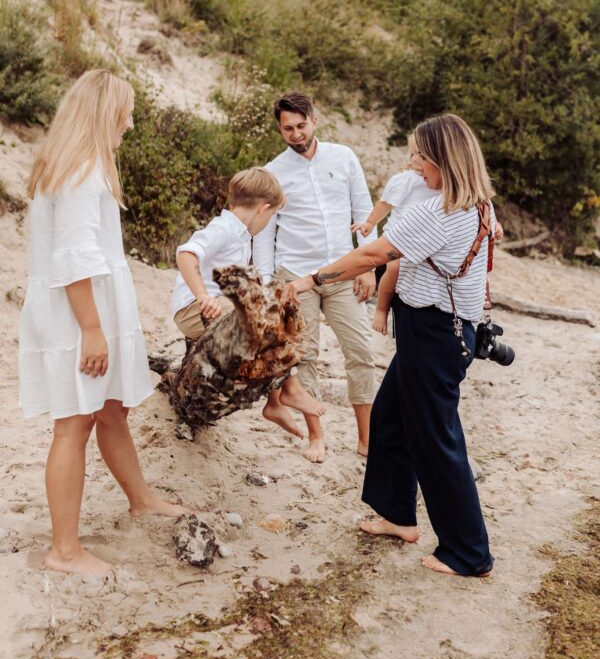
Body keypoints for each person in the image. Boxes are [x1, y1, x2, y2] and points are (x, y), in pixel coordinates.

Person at [285, 113, 496, 577]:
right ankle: (399, 516)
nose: (417, 166)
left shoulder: (440, 211)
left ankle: (468, 553)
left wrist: (309, 280)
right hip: (440, 331)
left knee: (437, 440)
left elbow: (372, 255)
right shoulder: (480, 205)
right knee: (389, 419)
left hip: (435, 334)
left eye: (423, 157)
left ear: (444, 159)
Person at [19, 69, 185, 577]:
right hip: (79, 316)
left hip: (92, 310)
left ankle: (141, 498)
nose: (131, 123)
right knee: (74, 424)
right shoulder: (82, 171)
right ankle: (64, 551)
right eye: (126, 111)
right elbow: (74, 260)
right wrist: (92, 330)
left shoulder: (80, 165)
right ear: (105, 112)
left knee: (111, 410)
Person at [253, 91, 378, 463]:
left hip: (343, 270)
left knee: (361, 352)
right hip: (294, 273)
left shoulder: (344, 157)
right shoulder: (273, 172)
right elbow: (264, 233)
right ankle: (316, 435)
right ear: (280, 129)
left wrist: (368, 266)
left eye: (301, 125)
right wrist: (266, 283)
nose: (295, 134)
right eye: (287, 128)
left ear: (315, 119)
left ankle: (366, 440)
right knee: (304, 356)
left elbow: (364, 211)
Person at [172, 166, 326, 437]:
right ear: (263, 209)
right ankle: (289, 392)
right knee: (263, 321)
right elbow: (186, 254)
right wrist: (202, 296)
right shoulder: (225, 229)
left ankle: (277, 402)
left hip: (217, 310)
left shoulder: (240, 233)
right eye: (272, 216)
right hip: (194, 310)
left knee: (276, 316)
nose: (268, 223)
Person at [352, 134, 436, 336]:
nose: (415, 159)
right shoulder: (407, 180)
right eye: (412, 154)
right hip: (399, 234)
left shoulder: (441, 182)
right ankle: (381, 309)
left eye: (421, 154)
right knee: (394, 269)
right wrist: (371, 223)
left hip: (423, 239)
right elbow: (386, 204)